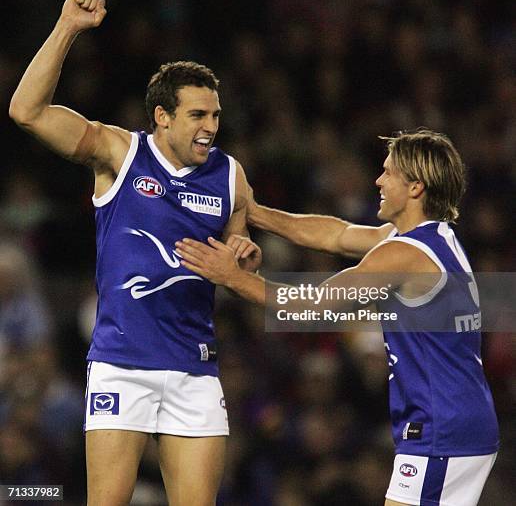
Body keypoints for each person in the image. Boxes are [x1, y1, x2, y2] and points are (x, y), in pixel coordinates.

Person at [9, 0, 261, 506]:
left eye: (215, 114)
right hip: (122, 364)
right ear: (162, 117)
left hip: (195, 367)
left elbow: (240, 236)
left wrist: (241, 249)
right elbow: (26, 111)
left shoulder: (230, 176)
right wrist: (66, 29)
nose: (211, 126)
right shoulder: (118, 153)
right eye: (197, 115)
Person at [176, 129, 499, 506]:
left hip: (442, 429)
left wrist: (232, 277)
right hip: (459, 421)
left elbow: (312, 305)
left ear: (416, 188)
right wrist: (258, 214)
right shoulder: (433, 239)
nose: (378, 180)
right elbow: (337, 234)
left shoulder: (403, 256)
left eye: (389, 172)